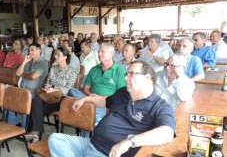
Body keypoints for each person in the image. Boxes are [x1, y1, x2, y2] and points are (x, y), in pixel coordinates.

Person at [48, 61, 176, 157]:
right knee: (55, 139)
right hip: (91, 143)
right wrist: (86, 99)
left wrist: (129, 142)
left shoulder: (159, 106)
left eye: (131, 74)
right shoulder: (122, 93)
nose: (126, 78)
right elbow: (105, 100)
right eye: (126, 74)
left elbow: (167, 133)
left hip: (107, 152)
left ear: (147, 78)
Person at [68, 43, 126, 137]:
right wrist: (91, 97)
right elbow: (85, 89)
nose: (99, 54)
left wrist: (99, 98)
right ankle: (94, 113)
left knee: (87, 114)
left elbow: (120, 96)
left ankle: (91, 114)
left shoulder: (120, 72)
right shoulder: (94, 69)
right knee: (72, 91)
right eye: (99, 52)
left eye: (103, 52)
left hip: (106, 104)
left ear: (112, 54)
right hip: (88, 100)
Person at [25, 47, 78, 142]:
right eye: (55, 54)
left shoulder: (72, 71)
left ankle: (35, 133)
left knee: (36, 108)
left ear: (65, 57)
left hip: (62, 98)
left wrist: (54, 89)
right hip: (50, 96)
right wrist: (47, 87)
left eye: (58, 55)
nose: (55, 56)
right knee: (36, 101)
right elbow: (48, 81)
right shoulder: (53, 68)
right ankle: (36, 133)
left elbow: (69, 88)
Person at [8, 43, 49, 127]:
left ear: (39, 51)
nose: (30, 52)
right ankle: (13, 124)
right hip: (22, 90)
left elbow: (33, 76)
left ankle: (25, 127)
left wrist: (22, 75)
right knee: (7, 97)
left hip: (33, 93)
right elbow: (17, 72)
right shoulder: (28, 62)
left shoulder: (43, 63)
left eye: (32, 50)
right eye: (29, 50)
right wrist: (24, 62)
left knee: (24, 101)